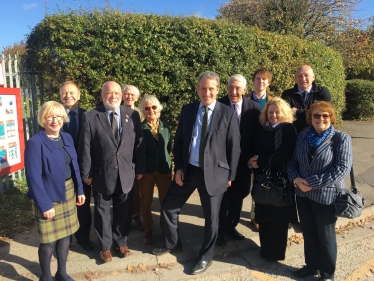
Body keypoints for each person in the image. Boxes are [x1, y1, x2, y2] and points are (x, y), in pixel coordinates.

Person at [152, 71, 241, 275]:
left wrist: (231, 176)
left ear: (218, 90)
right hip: (189, 170)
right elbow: (181, 141)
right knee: (168, 207)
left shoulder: (227, 113)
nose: (206, 92)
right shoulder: (188, 109)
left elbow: (234, 148)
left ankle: (206, 257)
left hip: (216, 174)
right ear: (197, 89)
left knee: (212, 219)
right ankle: (173, 243)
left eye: (211, 88)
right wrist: (179, 168)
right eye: (203, 88)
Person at [78, 81, 145, 263]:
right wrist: (86, 173)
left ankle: (120, 242)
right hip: (101, 173)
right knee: (102, 212)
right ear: (102, 95)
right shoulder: (91, 116)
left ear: (122, 96)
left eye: (116, 92)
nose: (113, 96)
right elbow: (85, 147)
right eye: (109, 93)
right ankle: (105, 247)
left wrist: (140, 167)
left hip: (126, 173)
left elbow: (139, 143)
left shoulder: (132, 115)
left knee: (124, 211)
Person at [288, 101, 352, 281]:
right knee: (308, 232)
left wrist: (312, 182)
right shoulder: (302, 136)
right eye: (316, 115)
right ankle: (312, 265)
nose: (321, 119)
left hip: (326, 196)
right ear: (310, 117)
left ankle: (327, 273)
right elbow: (293, 162)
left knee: (325, 236)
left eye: (325, 115)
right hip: (302, 193)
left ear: (331, 117)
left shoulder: (341, 138)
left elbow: (342, 169)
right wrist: (296, 179)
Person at [25, 101, 85, 281]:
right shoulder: (35, 142)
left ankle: (62, 272)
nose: (55, 120)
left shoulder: (67, 138)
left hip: (68, 191)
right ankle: (46, 276)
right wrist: (44, 204)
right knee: (49, 240)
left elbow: (75, 166)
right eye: (50, 116)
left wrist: (80, 190)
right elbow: (33, 177)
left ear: (63, 118)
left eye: (59, 116)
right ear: (43, 119)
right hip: (47, 195)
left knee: (66, 235)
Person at [248, 97, 298, 262]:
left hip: (280, 180)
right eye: (270, 112)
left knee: (278, 219)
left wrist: (260, 160)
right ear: (266, 113)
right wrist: (251, 160)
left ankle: (276, 253)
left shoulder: (288, 129)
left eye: (277, 112)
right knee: (264, 216)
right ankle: (265, 250)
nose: (274, 115)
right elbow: (252, 147)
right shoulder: (261, 129)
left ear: (283, 113)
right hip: (262, 178)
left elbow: (284, 154)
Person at [217, 74, 260, 246]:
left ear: (245, 89)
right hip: (222, 162)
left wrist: (253, 157)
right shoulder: (218, 105)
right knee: (222, 197)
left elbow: (256, 136)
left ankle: (231, 226)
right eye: (230, 87)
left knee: (239, 195)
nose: (233, 91)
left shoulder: (254, 108)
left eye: (237, 88)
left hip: (244, 162)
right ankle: (219, 230)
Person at [60, 81, 94, 251]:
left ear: (79, 95)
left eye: (72, 92)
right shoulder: (54, 115)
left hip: (82, 169)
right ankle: (64, 241)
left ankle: (83, 238)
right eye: (65, 93)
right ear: (60, 95)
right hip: (61, 170)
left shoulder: (88, 115)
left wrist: (90, 171)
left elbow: (93, 145)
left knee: (83, 205)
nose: (68, 96)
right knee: (63, 206)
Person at [137, 94, 172, 245]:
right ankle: (148, 229)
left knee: (166, 201)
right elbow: (137, 151)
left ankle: (165, 228)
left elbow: (168, 148)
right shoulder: (139, 129)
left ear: (158, 109)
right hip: (146, 171)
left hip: (164, 169)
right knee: (146, 201)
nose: (151, 110)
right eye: (147, 108)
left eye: (153, 107)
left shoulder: (166, 127)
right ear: (143, 111)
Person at [281, 65, 332, 133]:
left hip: (319, 134)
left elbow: (327, 113)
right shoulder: (287, 94)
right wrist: (313, 114)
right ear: (295, 78)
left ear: (313, 77)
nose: (303, 79)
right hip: (295, 135)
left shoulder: (322, 92)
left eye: (306, 75)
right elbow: (285, 116)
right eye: (300, 76)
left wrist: (297, 112)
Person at [122, 84, 144, 231]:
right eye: (127, 94)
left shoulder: (141, 113)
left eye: (132, 95)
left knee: (136, 192)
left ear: (137, 98)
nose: (129, 97)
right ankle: (123, 218)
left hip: (135, 157)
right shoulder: (117, 110)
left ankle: (136, 215)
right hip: (122, 157)